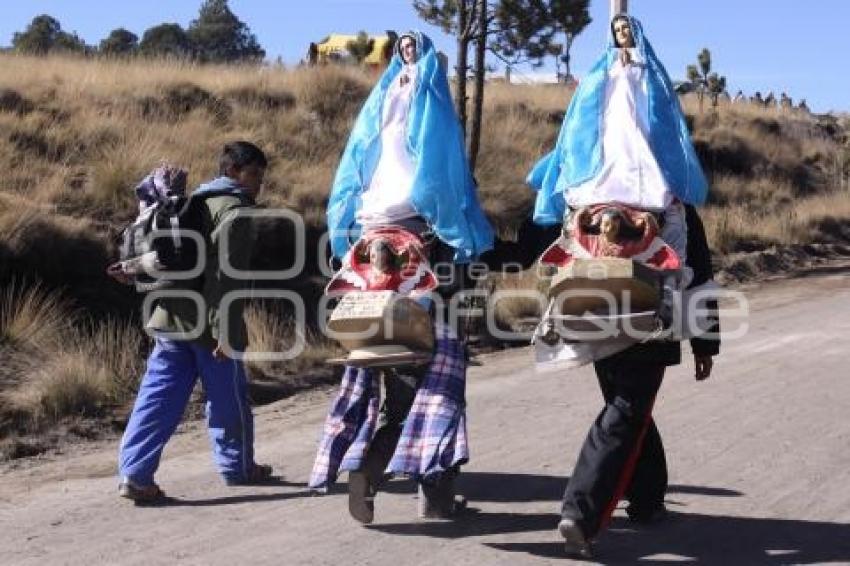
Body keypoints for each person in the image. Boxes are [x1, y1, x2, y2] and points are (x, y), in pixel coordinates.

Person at [525, 14, 720, 557]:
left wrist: (706, 340)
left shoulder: (663, 205)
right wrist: (703, 340)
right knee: (627, 409)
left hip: (600, 309)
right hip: (635, 319)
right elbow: (699, 274)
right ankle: (581, 513)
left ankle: (648, 499)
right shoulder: (630, 202)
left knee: (628, 406)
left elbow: (696, 272)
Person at [311, 31, 494, 523]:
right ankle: (428, 497)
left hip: (375, 291)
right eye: (404, 50)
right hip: (428, 293)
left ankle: (371, 476)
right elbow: (457, 225)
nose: (409, 56)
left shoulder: (376, 195)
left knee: (398, 396)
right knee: (441, 394)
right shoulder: (433, 182)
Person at [111, 141, 272, 502]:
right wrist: (224, 333)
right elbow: (226, 278)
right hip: (207, 327)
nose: (258, 184)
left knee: (156, 399)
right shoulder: (235, 211)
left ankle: (135, 475)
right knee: (228, 399)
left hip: (168, 317)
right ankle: (238, 467)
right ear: (232, 172)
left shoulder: (189, 201)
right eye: (253, 175)